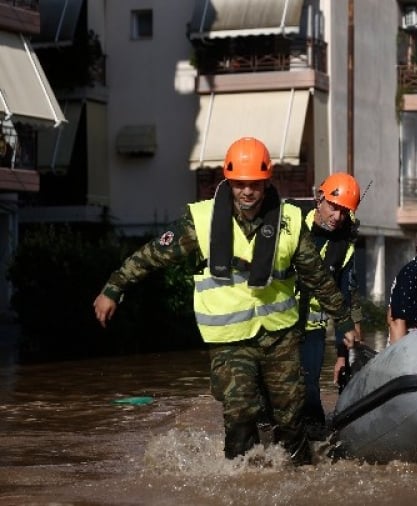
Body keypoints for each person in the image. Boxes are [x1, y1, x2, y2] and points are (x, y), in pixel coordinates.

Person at [92, 137, 360, 464]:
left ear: (266, 182)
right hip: (229, 338)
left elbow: (317, 275)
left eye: (255, 185)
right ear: (229, 181)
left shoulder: (288, 222)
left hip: (278, 335)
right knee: (241, 409)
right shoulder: (201, 220)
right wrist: (114, 287)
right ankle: (239, 478)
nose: (247, 192)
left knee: (291, 410)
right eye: (240, 184)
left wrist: (344, 320)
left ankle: (299, 475)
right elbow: (153, 254)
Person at [285, 172, 363, 433]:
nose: (337, 217)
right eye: (333, 207)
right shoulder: (292, 224)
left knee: (309, 393)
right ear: (320, 198)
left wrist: (343, 356)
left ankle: (315, 450)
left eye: (344, 212)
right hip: (276, 326)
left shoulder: (345, 247)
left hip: (312, 332)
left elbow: (347, 300)